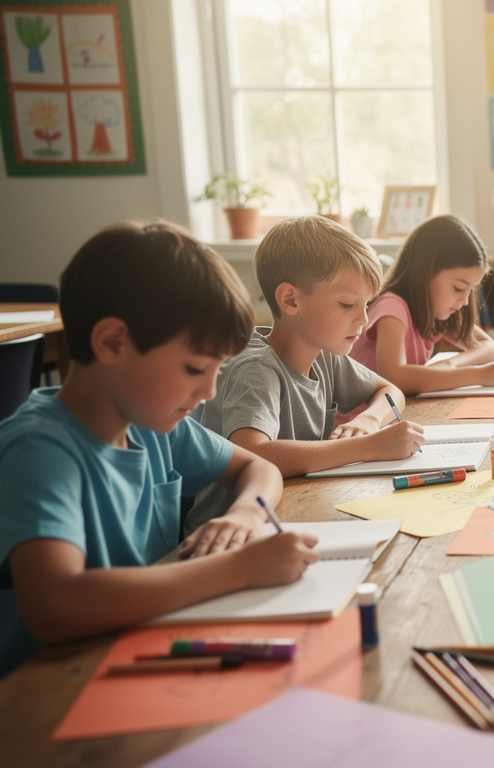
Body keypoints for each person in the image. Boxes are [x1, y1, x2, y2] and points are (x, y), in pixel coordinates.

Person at [0, 221, 318, 678]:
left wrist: (246, 514)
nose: (209, 391)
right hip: (50, 692)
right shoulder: (39, 450)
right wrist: (240, 569)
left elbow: (258, 467)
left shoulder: (152, 424)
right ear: (112, 343)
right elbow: (56, 605)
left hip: (142, 651)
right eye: (194, 368)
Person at [188, 216, 424, 532]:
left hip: (295, 511)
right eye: (347, 304)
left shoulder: (324, 353)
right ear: (290, 299)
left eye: (367, 304)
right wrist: (371, 446)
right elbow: (254, 453)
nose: (364, 319)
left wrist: (368, 420)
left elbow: (388, 390)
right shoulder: (256, 369)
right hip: (228, 536)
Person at [349, 215, 494, 394]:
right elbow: (394, 377)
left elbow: (489, 347)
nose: (466, 301)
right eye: (459, 288)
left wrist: (449, 364)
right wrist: (480, 376)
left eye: (471, 290)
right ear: (423, 272)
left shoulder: (435, 311)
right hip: (362, 419)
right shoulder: (392, 308)